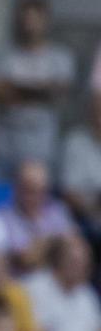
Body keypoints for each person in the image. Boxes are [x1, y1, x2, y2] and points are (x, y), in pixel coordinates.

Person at [0, 0, 75, 178]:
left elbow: (57, 92)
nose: (29, 25)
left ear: (46, 20)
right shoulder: (0, 54)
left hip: (41, 147)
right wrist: (39, 90)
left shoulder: (60, 57)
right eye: (25, 19)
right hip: (3, 146)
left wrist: (14, 88)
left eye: (35, 19)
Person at [23, 235, 101, 331]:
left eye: (86, 264)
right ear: (58, 261)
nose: (84, 269)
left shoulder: (86, 293)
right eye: (75, 263)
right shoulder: (36, 287)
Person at [0, 159, 74, 276]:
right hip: (21, 281)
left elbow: (73, 247)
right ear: (16, 187)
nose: (34, 196)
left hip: (57, 281)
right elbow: (25, 259)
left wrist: (39, 247)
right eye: (28, 190)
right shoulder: (3, 216)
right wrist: (55, 242)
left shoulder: (56, 210)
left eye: (40, 190)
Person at [59, 92, 101, 245]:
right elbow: (69, 193)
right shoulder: (75, 142)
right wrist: (93, 213)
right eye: (97, 109)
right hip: (84, 216)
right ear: (90, 111)